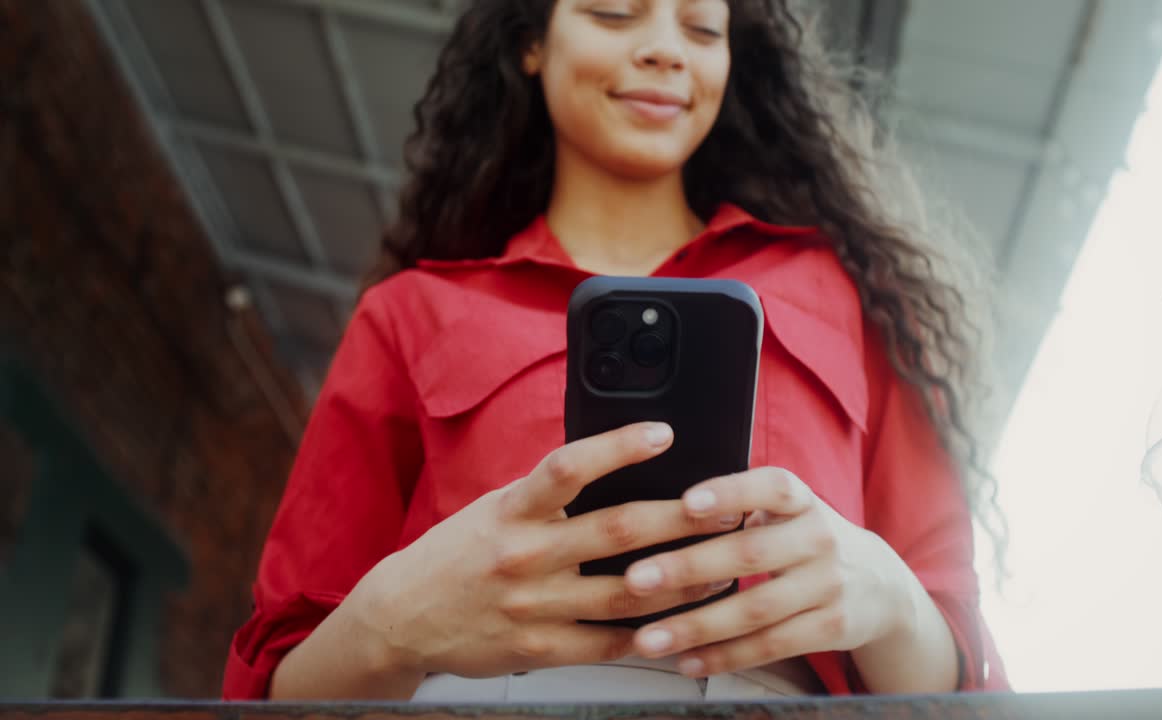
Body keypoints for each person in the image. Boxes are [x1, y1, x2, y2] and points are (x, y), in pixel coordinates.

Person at [222, 0, 1009, 701]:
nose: (667, 47)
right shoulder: (411, 313)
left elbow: (967, 670)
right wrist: (394, 625)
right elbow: (270, 680)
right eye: (612, 14)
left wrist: (893, 604)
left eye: (702, 27)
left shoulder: (846, 293)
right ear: (532, 40)